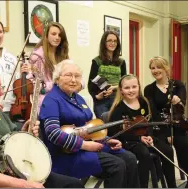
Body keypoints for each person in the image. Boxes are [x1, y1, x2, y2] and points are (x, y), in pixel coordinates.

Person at [0, 64, 85, 188]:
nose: (0, 93)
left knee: (73, 185)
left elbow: (11, 134)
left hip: (18, 174)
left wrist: (23, 132)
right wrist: (25, 185)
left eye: (1, 87)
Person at [39, 60, 140, 188]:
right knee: (116, 165)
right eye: (69, 75)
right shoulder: (52, 99)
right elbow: (53, 133)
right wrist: (85, 145)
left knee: (129, 158)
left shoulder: (77, 98)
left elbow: (88, 129)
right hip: (65, 155)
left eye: (77, 76)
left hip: (85, 147)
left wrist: (107, 140)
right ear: (57, 79)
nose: (74, 80)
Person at [108, 74, 177, 188]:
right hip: (128, 141)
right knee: (144, 154)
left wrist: (149, 135)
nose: (131, 90)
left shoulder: (143, 101)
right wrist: (138, 138)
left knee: (168, 150)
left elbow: (149, 122)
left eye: (134, 87)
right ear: (121, 90)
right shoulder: (118, 109)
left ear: (139, 87)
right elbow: (115, 133)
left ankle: (172, 185)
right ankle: (142, 186)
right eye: (127, 88)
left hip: (146, 138)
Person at [144, 56, 188, 188]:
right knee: (167, 151)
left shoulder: (178, 85)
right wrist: (166, 133)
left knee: (182, 145)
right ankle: (171, 185)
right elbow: (154, 113)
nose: (155, 70)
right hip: (160, 128)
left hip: (177, 124)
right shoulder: (149, 89)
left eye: (158, 67)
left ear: (166, 68)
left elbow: (181, 108)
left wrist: (178, 102)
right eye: (153, 68)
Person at [28, 21, 74, 111]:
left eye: (60, 35)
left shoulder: (64, 56)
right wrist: (53, 85)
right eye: (53, 34)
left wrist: (78, 84)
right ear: (46, 36)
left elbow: (75, 77)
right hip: (44, 102)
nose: (57, 37)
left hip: (62, 99)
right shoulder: (37, 56)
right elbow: (31, 85)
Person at [87, 30, 127, 118]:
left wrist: (114, 88)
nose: (112, 43)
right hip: (102, 101)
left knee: (117, 127)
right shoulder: (96, 61)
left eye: (115, 41)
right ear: (104, 43)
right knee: (104, 128)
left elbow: (125, 83)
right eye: (109, 40)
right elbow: (90, 84)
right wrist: (96, 97)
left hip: (117, 99)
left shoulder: (122, 62)